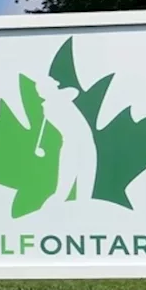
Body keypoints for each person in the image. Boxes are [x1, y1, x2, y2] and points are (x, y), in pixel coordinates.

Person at [39, 76, 96, 208]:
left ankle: (83, 206)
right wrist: (56, 95)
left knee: (86, 177)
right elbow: (67, 95)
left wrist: (57, 94)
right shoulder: (48, 108)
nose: (55, 87)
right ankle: (54, 208)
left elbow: (73, 91)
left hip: (87, 142)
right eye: (51, 87)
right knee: (66, 181)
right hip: (72, 144)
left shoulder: (62, 97)